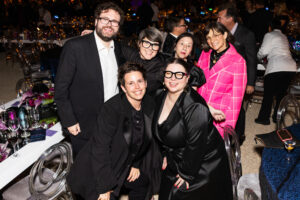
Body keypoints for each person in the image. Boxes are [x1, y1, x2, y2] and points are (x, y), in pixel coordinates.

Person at [67, 62, 155, 200]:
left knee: (142, 183)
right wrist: (105, 186)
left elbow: (143, 138)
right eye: (130, 83)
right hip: (96, 172)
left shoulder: (149, 104)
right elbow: (100, 149)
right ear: (123, 88)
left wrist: (135, 164)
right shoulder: (112, 109)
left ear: (146, 83)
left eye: (140, 81)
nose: (137, 87)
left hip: (122, 165)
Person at [152, 58, 233, 199]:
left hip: (203, 163)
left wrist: (186, 175)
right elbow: (162, 131)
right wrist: (165, 153)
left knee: (176, 194)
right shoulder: (160, 96)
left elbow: (196, 145)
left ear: (187, 78)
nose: (173, 78)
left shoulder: (195, 107)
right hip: (177, 155)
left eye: (179, 75)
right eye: (169, 74)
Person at [55, 2, 126, 157]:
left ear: (119, 27)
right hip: (83, 123)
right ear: (95, 21)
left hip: (112, 120)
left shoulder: (118, 48)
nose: (109, 24)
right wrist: (69, 120)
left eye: (114, 22)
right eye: (105, 19)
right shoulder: (75, 47)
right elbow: (61, 89)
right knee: (85, 171)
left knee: (108, 165)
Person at [197, 22, 247, 137]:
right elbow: (198, 82)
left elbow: (237, 97)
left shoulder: (238, 60)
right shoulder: (205, 54)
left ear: (225, 35)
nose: (212, 40)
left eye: (216, 35)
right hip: (201, 108)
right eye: (208, 37)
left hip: (220, 115)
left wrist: (228, 126)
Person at [217, 2, 256, 142]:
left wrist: (251, 83)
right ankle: (225, 131)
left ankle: (239, 136)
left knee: (238, 106)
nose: (218, 21)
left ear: (230, 18)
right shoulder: (221, 33)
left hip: (239, 77)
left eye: (220, 18)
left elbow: (252, 60)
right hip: (223, 76)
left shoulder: (247, 34)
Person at [255, 19, 297, 125]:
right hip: (291, 67)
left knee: (268, 94)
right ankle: (277, 117)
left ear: (270, 27)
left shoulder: (269, 34)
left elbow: (263, 51)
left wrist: (258, 57)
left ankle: (263, 118)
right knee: (281, 94)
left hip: (276, 66)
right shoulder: (284, 36)